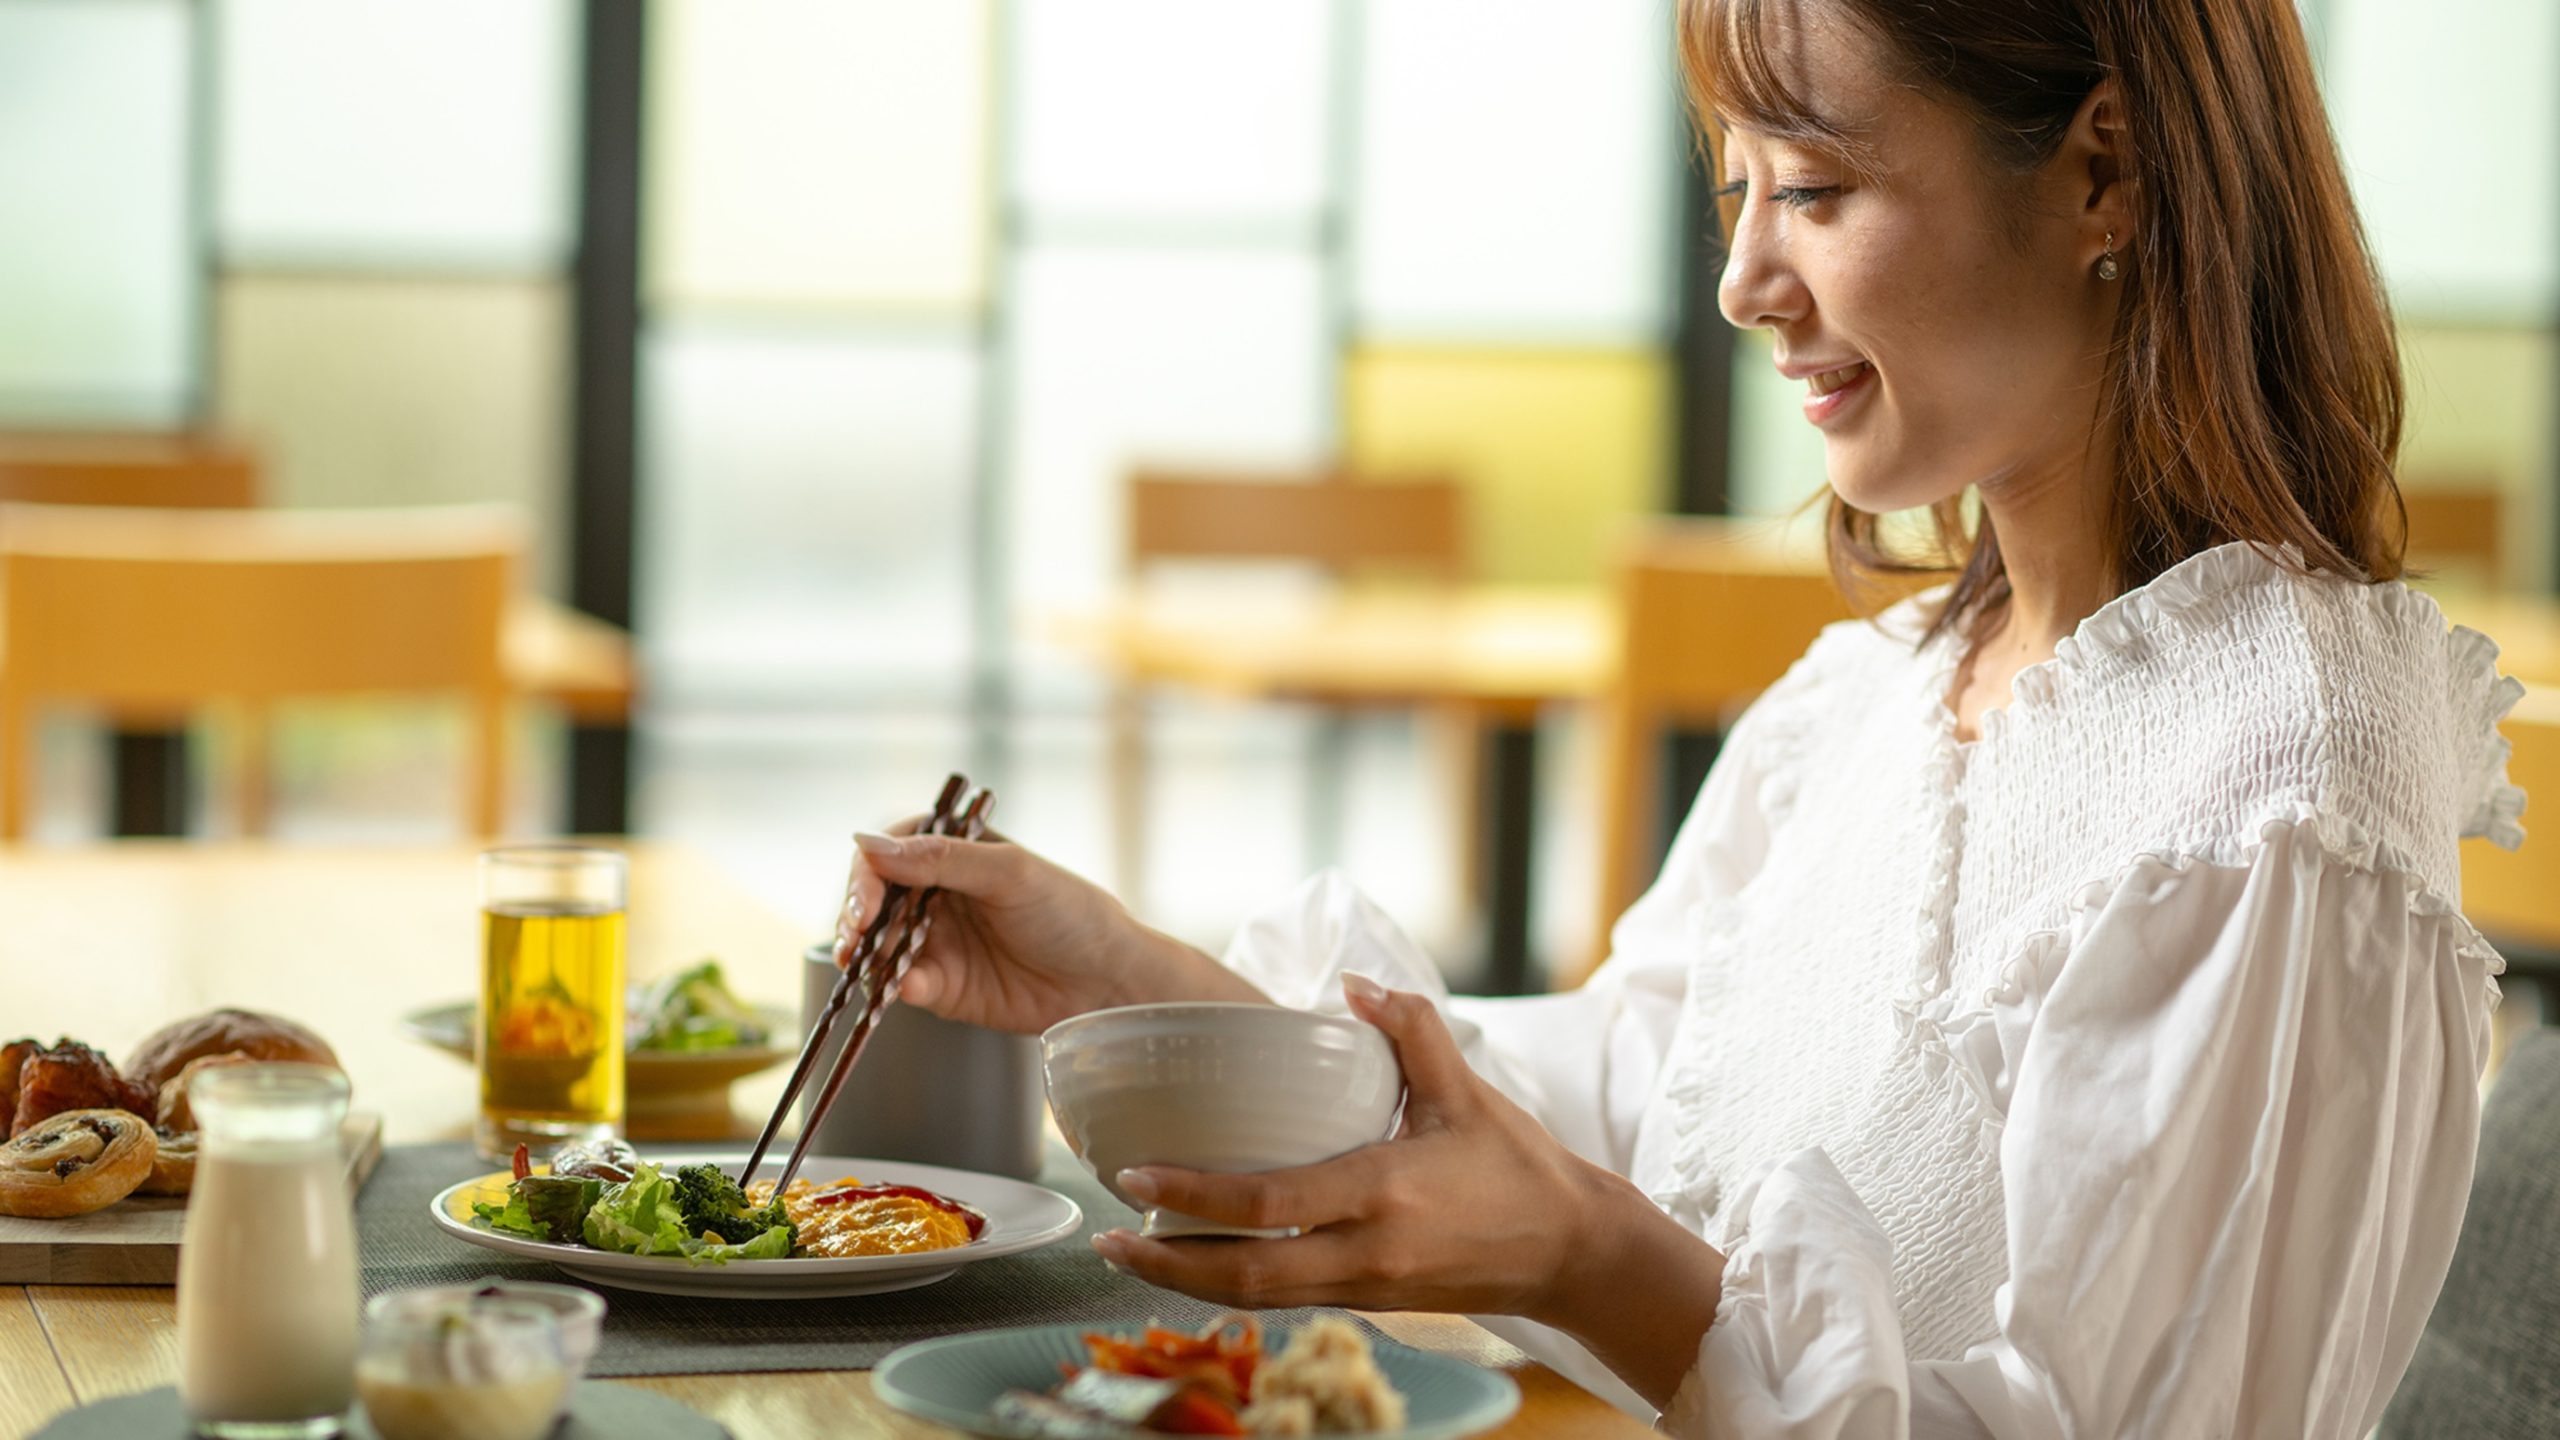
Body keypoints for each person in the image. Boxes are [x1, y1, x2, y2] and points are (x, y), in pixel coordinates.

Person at [843, 0, 2528, 1432]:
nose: (1740, 279)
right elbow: (1610, 1119)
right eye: (1734, 191)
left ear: (2106, 170)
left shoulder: (2286, 778)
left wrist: (1589, 1264)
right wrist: (1136, 978)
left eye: (1813, 186)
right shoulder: (1871, 703)